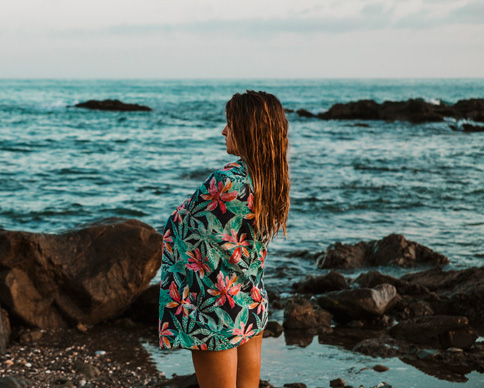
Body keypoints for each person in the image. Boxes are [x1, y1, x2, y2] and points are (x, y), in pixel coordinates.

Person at [158, 90, 290, 388]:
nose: (223, 131)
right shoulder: (270, 178)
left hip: (214, 306)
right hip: (247, 298)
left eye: (229, 123)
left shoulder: (226, 181)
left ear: (246, 128)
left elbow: (182, 224)